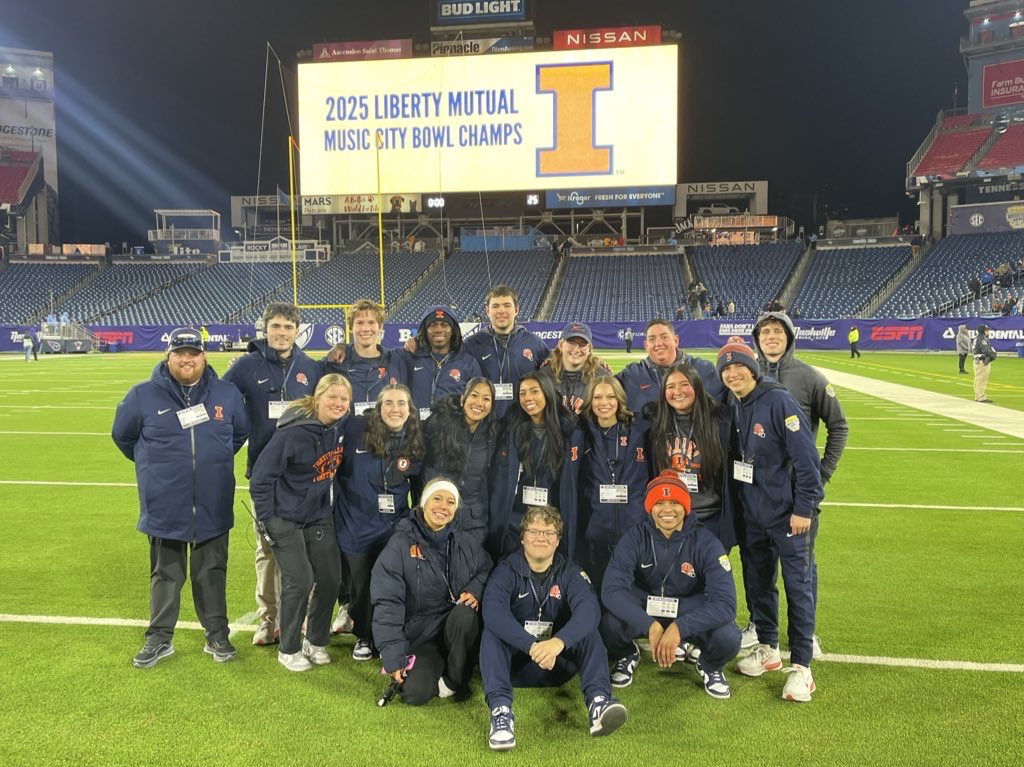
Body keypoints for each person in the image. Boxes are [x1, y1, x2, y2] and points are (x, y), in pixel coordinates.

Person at [112, 328, 250, 668]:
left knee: (212, 571)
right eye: (179, 353)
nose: (186, 359)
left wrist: (209, 464)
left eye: (193, 353)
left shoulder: (227, 393)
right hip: (165, 504)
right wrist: (158, 468)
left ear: (204, 356)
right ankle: (159, 638)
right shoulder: (142, 395)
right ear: (167, 356)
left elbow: (239, 433)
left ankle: (217, 635)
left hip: (212, 502)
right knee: (165, 574)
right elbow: (123, 437)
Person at [716, 341, 822, 702]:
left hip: (789, 516)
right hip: (753, 516)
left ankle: (803, 668)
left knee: (798, 587)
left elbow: (808, 461)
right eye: (726, 369)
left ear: (753, 368)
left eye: (739, 367)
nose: (733, 373)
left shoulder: (778, 400)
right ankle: (768, 648)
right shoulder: (734, 403)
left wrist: (804, 509)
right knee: (758, 583)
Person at [480, 506, 627, 751]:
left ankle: (599, 704)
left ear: (558, 541)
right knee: (492, 634)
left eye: (549, 533)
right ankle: (501, 713)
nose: (541, 538)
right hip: (517, 666)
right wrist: (531, 646)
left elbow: (590, 609)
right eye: (535, 531)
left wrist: (558, 643)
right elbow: (493, 613)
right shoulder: (505, 570)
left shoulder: (569, 570)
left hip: (557, 665)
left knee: (589, 632)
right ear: (523, 537)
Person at [222, 302, 327, 647]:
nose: (282, 333)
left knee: (304, 552)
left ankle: (298, 617)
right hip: (265, 476)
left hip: (304, 477)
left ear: (299, 330)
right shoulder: (246, 366)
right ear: (265, 329)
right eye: (276, 326)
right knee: (267, 551)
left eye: (288, 327)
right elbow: (219, 396)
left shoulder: (311, 368)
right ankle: (267, 619)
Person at [751, 311, 848, 656]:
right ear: (757, 338)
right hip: (757, 498)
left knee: (800, 571)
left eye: (777, 331)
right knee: (760, 571)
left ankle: (805, 636)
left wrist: (821, 475)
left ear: (789, 337)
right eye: (765, 332)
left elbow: (839, 427)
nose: (771, 337)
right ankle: (763, 632)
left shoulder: (808, 376)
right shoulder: (748, 375)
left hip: (797, 498)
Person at [600, 473, 740, 697]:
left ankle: (709, 665)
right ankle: (627, 653)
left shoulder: (707, 542)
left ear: (685, 506)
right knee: (608, 623)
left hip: (687, 608)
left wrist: (680, 627)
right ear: (649, 507)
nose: (667, 510)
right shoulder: (634, 538)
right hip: (647, 606)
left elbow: (725, 603)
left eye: (675, 502)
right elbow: (611, 590)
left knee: (729, 637)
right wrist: (649, 625)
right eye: (659, 503)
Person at [248, 374, 349, 671]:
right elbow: (260, 479)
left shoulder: (339, 427)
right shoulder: (292, 433)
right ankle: (288, 647)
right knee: (300, 579)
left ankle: (315, 640)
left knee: (331, 577)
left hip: (317, 514)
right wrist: (267, 520)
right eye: (332, 397)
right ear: (317, 398)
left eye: (344, 398)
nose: (339, 403)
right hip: (283, 516)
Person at [370, 478, 492, 704]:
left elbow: (488, 570)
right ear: (423, 502)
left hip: (454, 628)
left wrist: (475, 590)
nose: (443, 507)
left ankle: (456, 678)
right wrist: (394, 656)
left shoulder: (464, 541)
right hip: (422, 637)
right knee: (413, 694)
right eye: (437, 499)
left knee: (466, 614)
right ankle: (443, 665)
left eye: (450, 502)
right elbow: (388, 603)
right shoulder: (399, 545)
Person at [334, 384, 424, 660]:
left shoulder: (415, 439)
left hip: (392, 526)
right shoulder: (354, 429)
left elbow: (418, 486)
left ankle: (388, 635)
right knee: (360, 586)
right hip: (355, 524)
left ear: (410, 410)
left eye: (401, 404)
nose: (395, 409)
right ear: (378, 407)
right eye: (388, 403)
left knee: (390, 583)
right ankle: (363, 634)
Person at [487, 370, 582, 561]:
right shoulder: (511, 429)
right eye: (522, 393)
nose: (528, 398)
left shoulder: (569, 432)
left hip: (551, 520)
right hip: (517, 519)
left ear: (546, 392)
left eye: (534, 391)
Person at [645, 363, 734, 549]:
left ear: (696, 386)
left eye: (684, 384)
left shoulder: (720, 421)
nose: (678, 392)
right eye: (670, 387)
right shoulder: (654, 423)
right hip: (671, 519)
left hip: (712, 519)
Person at [576, 377, 650, 591]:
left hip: (634, 533)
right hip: (596, 535)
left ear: (619, 400)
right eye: (597, 397)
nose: (604, 403)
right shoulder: (582, 434)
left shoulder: (640, 432)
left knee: (633, 595)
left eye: (610, 397)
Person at [422, 378, 498, 546]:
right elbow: (422, 464)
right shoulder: (439, 423)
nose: (479, 402)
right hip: (438, 514)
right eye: (474, 395)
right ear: (463, 398)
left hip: (473, 520)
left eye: (486, 399)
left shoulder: (491, 433)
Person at [461, 285, 549, 418]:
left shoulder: (534, 343)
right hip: (485, 424)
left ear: (516, 309)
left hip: (523, 423)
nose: (501, 311)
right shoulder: (471, 345)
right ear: (487, 311)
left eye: (507, 305)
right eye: (495, 306)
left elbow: (550, 379)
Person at [616, 318, 724, 413]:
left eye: (664, 337)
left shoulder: (704, 369)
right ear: (646, 345)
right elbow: (603, 391)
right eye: (652, 339)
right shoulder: (632, 374)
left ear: (675, 340)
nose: (658, 343)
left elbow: (731, 400)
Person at [327, 299, 408, 417]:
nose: (365, 328)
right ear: (350, 327)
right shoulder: (335, 361)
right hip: (347, 433)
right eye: (359, 323)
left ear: (380, 327)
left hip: (385, 433)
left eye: (371, 322)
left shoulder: (396, 360)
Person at [401, 306, 482, 420]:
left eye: (445, 325)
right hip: (417, 432)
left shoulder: (468, 363)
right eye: (433, 325)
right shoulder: (411, 358)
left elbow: (477, 400)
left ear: (453, 330)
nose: (438, 330)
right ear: (425, 330)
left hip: (453, 433)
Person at [543, 322, 609, 414]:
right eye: (571, 343)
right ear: (560, 345)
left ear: (589, 349)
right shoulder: (544, 376)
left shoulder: (601, 377)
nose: (577, 349)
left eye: (583, 344)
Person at [973, 324, 997, 403]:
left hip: (976, 360)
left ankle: (977, 395)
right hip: (982, 361)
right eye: (987, 330)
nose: (988, 331)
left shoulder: (977, 338)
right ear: (983, 331)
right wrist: (993, 355)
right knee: (982, 379)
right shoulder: (982, 339)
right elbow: (986, 350)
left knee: (977, 379)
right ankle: (981, 397)